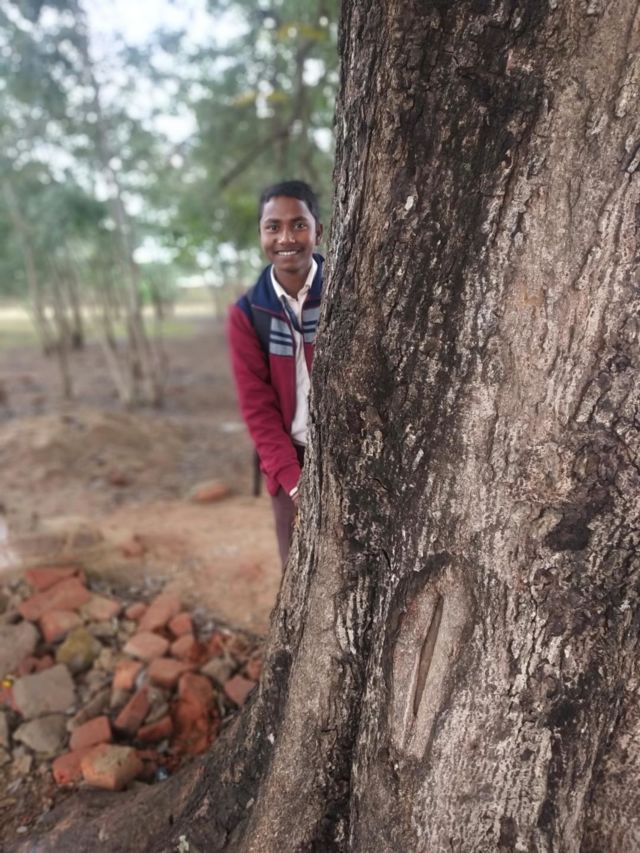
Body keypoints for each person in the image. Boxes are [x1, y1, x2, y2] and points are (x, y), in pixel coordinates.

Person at [227, 180, 324, 566]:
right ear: (261, 234)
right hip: (289, 464)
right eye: (273, 227)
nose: (286, 238)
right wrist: (294, 483)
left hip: (352, 458)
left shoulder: (346, 290)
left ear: (319, 230)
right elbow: (258, 410)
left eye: (299, 224)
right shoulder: (249, 313)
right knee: (298, 572)